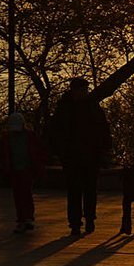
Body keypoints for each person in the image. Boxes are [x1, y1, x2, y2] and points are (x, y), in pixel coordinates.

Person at [49, 77, 111, 237]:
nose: (84, 92)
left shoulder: (91, 106)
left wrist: (105, 149)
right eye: (81, 89)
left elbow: (103, 129)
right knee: (75, 191)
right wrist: (59, 152)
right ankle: (75, 223)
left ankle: (89, 218)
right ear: (74, 90)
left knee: (89, 190)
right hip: (72, 157)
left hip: (90, 155)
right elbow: (56, 132)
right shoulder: (64, 108)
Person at [3, 111, 47, 233]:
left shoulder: (29, 136)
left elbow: (37, 152)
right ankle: (23, 218)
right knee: (19, 195)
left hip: (26, 169)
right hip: (16, 169)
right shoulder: (9, 138)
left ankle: (26, 218)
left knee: (25, 194)